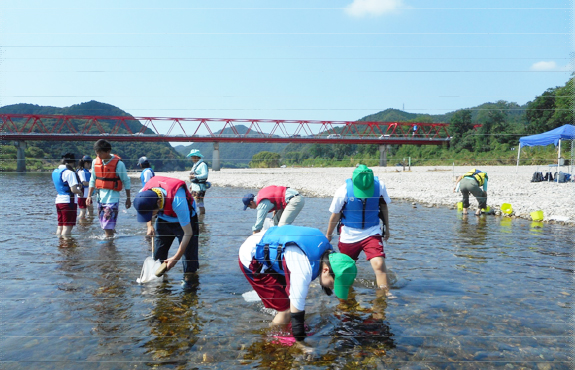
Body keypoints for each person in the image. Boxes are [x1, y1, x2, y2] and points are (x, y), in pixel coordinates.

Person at [239, 225, 357, 342]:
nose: (332, 288)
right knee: (285, 310)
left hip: (269, 246)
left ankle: (279, 317)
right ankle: (268, 340)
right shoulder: (304, 270)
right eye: (333, 284)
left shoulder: (328, 252)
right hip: (253, 258)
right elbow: (296, 314)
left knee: (289, 301)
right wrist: (302, 344)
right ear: (325, 270)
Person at [325, 164, 392, 296]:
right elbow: (335, 214)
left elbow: (383, 207)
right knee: (346, 269)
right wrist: (328, 234)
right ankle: (346, 297)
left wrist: (387, 228)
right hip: (349, 234)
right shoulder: (343, 190)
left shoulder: (380, 187)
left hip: (372, 231)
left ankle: (384, 294)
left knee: (379, 263)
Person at [133, 175, 200, 285]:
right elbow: (146, 211)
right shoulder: (143, 193)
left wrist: (175, 259)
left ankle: (190, 285)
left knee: (189, 258)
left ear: (159, 202)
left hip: (185, 221)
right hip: (164, 220)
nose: (150, 215)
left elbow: (188, 233)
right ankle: (161, 287)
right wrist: (149, 226)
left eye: (151, 213)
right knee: (158, 256)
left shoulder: (178, 200)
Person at [86, 139, 131, 237]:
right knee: (105, 225)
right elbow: (93, 179)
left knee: (107, 227)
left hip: (112, 199)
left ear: (108, 152)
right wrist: (89, 196)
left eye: (100, 153)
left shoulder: (119, 164)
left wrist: (128, 198)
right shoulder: (95, 162)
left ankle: (107, 247)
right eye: (96, 153)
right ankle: (112, 244)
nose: (98, 156)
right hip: (100, 198)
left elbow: (126, 181)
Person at [52, 153, 83, 236]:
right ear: (71, 162)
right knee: (67, 227)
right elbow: (73, 190)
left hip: (59, 200)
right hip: (68, 201)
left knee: (60, 226)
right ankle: (67, 247)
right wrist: (80, 192)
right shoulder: (69, 172)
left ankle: (60, 245)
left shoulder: (55, 171)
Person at [186, 149, 209, 215]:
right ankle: (199, 218)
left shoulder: (202, 165)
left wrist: (195, 176)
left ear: (196, 157)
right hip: (195, 187)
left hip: (200, 188)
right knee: (193, 202)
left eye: (192, 157)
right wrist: (191, 185)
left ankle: (201, 218)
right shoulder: (195, 164)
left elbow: (205, 175)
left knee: (199, 204)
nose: (191, 158)